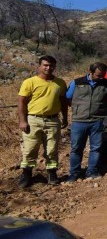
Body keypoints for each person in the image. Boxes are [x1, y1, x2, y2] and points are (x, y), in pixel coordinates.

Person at [17, 55, 68, 188]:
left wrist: (65, 117)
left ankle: (52, 174)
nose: (48, 68)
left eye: (51, 65)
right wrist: (22, 121)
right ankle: (26, 175)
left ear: (55, 66)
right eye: (45, 65)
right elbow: (21, 102)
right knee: (30, 149)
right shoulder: (29, 82)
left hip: (53, 120)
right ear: (39, 66)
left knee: (52, 149)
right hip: (33, 120)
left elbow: (63, 102)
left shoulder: (60, 83)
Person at [66, 62, 107, 182]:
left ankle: (92, 171)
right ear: (90, 72)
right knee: (76, 148)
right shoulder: (76, 83)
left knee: (96, 148)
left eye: (103, 75)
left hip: (98, 120)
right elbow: (67, 97)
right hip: (79, 121)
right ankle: (74, 173)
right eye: (98, 75)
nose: (101, 77)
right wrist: (77, 109)